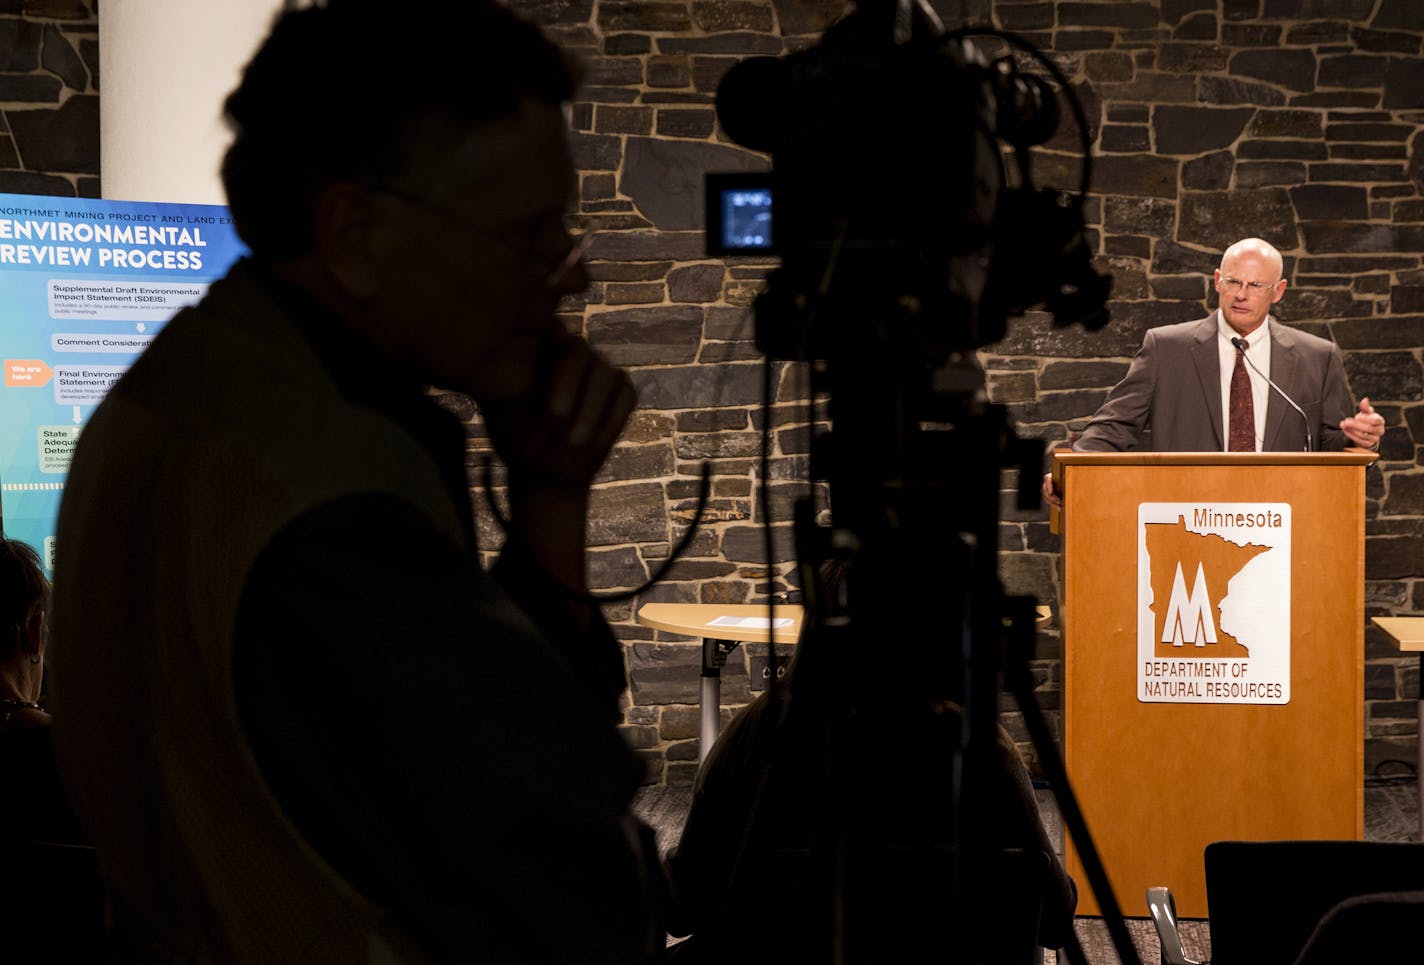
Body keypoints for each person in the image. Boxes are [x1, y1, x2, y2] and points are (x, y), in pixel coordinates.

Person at [50, 3, 661, 962]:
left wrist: (550, 489)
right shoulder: (325, 481)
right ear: (358, 235)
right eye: (532, 237)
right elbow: (565, 886)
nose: (570, 279)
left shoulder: (190, 383)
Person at [1043, 237, 1384, 506]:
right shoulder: (1166, 348)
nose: (1241, 295)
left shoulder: (1316, 357)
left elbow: (1331, 448)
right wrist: (1071, 473)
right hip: (1187, 516)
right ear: (1217, 281)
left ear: (1278, 291)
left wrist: (1357, 439)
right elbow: (1113, 426)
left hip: (1285, 518)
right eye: (1234, 282)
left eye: (1256, 286)